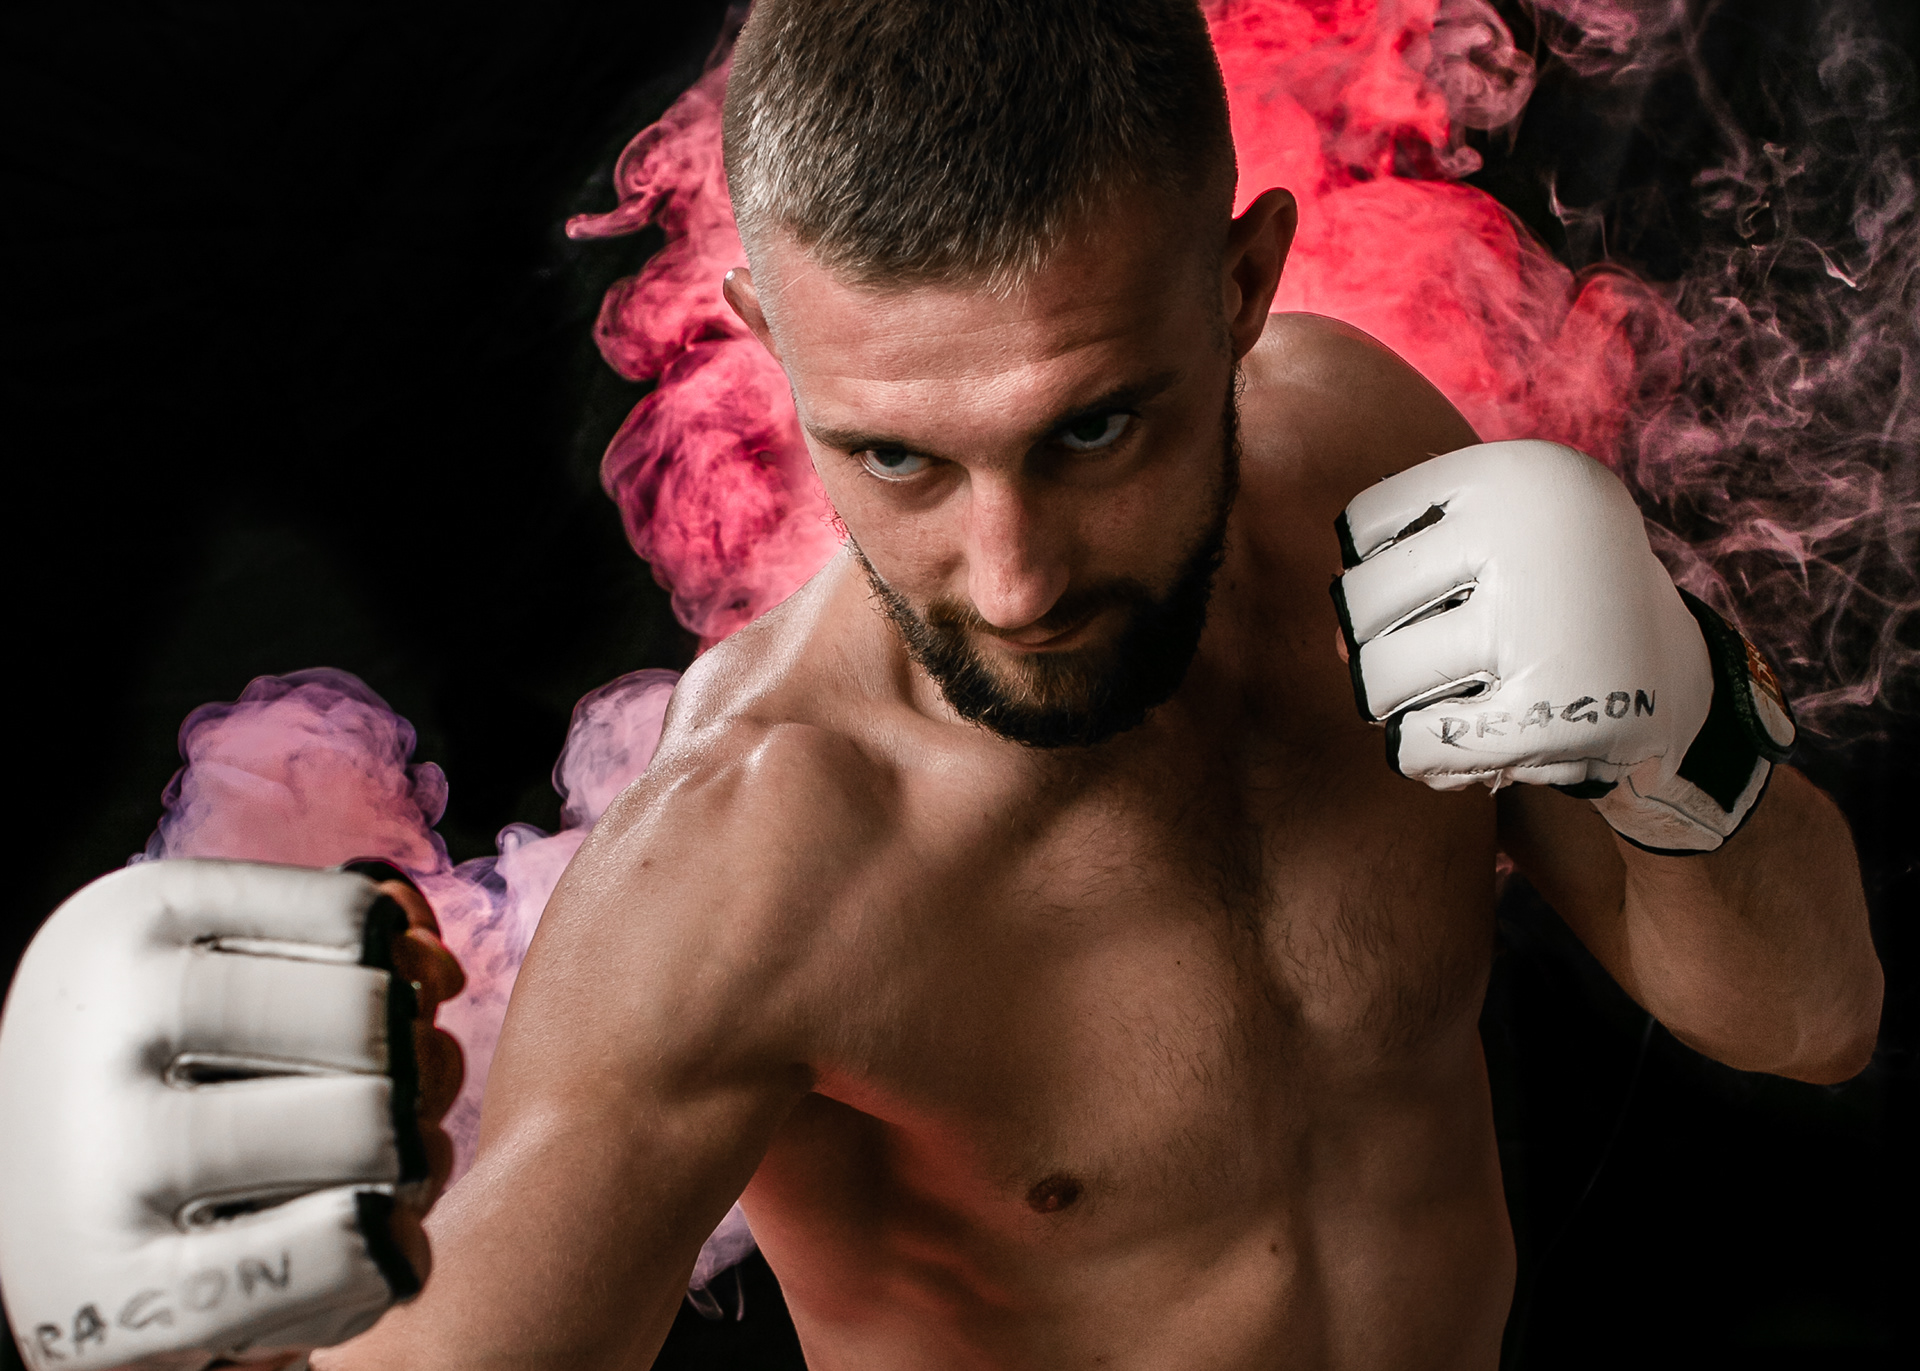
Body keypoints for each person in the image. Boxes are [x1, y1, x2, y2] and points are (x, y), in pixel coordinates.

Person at [0, 3, 1882, 1369]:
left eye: (1094, 430)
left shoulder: (1369, 470)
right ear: (770, 343)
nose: (1014, 577)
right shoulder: (761, 860)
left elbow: (1815, 1018)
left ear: (1242, 289)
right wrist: (178, 1332)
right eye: (895, 456)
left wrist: (1691, 736)